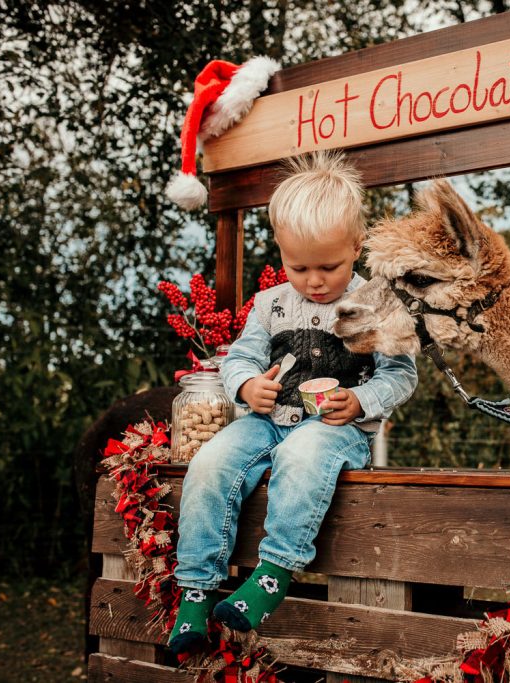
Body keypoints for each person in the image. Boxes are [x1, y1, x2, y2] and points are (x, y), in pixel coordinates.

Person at [167, 151, 418, 654]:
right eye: (298, 266)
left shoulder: (376, 304)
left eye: (330, 265)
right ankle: (194, 591)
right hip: (266, 421)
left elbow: (400, 375)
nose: (315, 280)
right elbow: (239, 358)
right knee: (210, 460)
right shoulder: (270, 304)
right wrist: (244, 387)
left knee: (303, 455)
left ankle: (271, 576)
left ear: (356, 247)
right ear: (280, 249)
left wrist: (361, 400)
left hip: (333, 431)